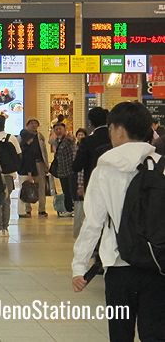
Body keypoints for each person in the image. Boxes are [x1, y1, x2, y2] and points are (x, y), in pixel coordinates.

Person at [72, 102, 165, 341]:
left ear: (119, 130)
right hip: (158, 264)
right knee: (155, 333)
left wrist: (79, 267)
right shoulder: (161, 165)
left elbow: (93, 222)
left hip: (118, 265)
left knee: (120, 334)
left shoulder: (105, 169)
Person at [0, 116, 21, 236]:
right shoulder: (11, 138)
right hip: (9, 174)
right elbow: (19, 155)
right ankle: (5, 228)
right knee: (7, 201)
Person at [72, 107, 110, 190]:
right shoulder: (114, 138)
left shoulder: (87, 141)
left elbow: (77, 166)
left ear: (91, 122)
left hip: (92, 183)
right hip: (112, 184)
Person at [20, 119, 49, 217]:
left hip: (39, 163)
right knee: (27, 186)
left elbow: (44, 150)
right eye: (31, 123)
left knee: (41, 187)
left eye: (35, 123)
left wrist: (46, 164)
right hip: (27, 164)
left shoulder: (40, 136)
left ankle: (42, 209)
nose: (34, 125)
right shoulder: (23, 136)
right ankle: (27, 209)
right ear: (27, 125)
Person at [50, 122, 76, 216]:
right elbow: (50, 142)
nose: (58, 131)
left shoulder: (68, 139)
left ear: (64, 129)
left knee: (71, 190)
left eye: (60, 129)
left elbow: (73, 141)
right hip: (62, 170)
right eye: (56, 129)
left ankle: (73, 209)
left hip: (70, 170)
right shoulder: (57, 140)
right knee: (66, 191)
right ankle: (69, 209)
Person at [72, 128, 88, 238]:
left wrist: (81, 184)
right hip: (76, 180)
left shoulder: (85, 148)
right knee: (78, 207)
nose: (80, 136)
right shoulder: (74, 147)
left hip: (82, 181)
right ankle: (78, 232)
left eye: (82, 134)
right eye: (79, 134)